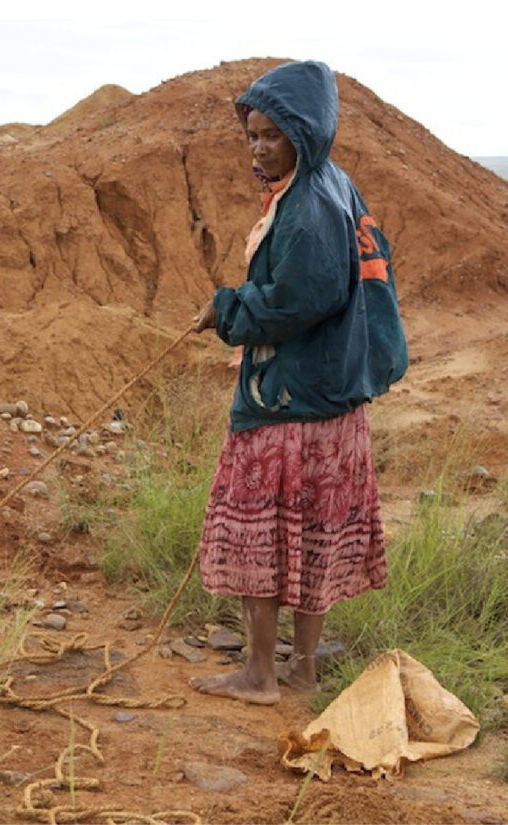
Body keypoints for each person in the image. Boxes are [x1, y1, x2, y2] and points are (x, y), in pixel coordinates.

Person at [189, 60, 408, 705]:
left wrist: (225, 309)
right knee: (312, 533)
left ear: (303, 133)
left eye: (272, 135)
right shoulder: (333, 184)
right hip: (334, 401)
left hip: (292, 403)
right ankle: (303, 667)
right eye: (252, 134)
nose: (258, 147)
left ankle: (258, 674)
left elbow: (295, 301)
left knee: (264, 531)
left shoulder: (308, 208)